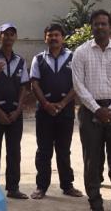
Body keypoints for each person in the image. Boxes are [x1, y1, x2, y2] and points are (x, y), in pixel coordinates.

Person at [73, 9, 111, 211]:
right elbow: (78, 85)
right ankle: (95, 206)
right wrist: (97, 109)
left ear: (110, 27)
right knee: (92, 159)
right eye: (96, 24)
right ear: (91, 27)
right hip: (90, 112)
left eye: (104, 24)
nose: (100, 27)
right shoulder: (81, 52)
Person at [29, 23, 83, 199]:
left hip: (65, 111)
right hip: (44, 111)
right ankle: (41, 187)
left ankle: (67, 185)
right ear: (45, 38)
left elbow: (77, 84)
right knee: (43, 150)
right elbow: (34, 84)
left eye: (57, 35)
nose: (53, 38)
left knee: (64, 150)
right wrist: (45, 104)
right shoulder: (38, 59)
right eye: (50, 35)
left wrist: (62, 103)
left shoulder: (73, 58)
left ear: (63, 38)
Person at [0, 23, 30, 198]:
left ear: (15, 38)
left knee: (14, 151)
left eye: (12, 34)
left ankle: (13, 188)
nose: (8, 37)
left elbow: (24, 88)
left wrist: (18, 110)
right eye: (5, 34)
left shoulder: (20, 61)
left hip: (14, 115)